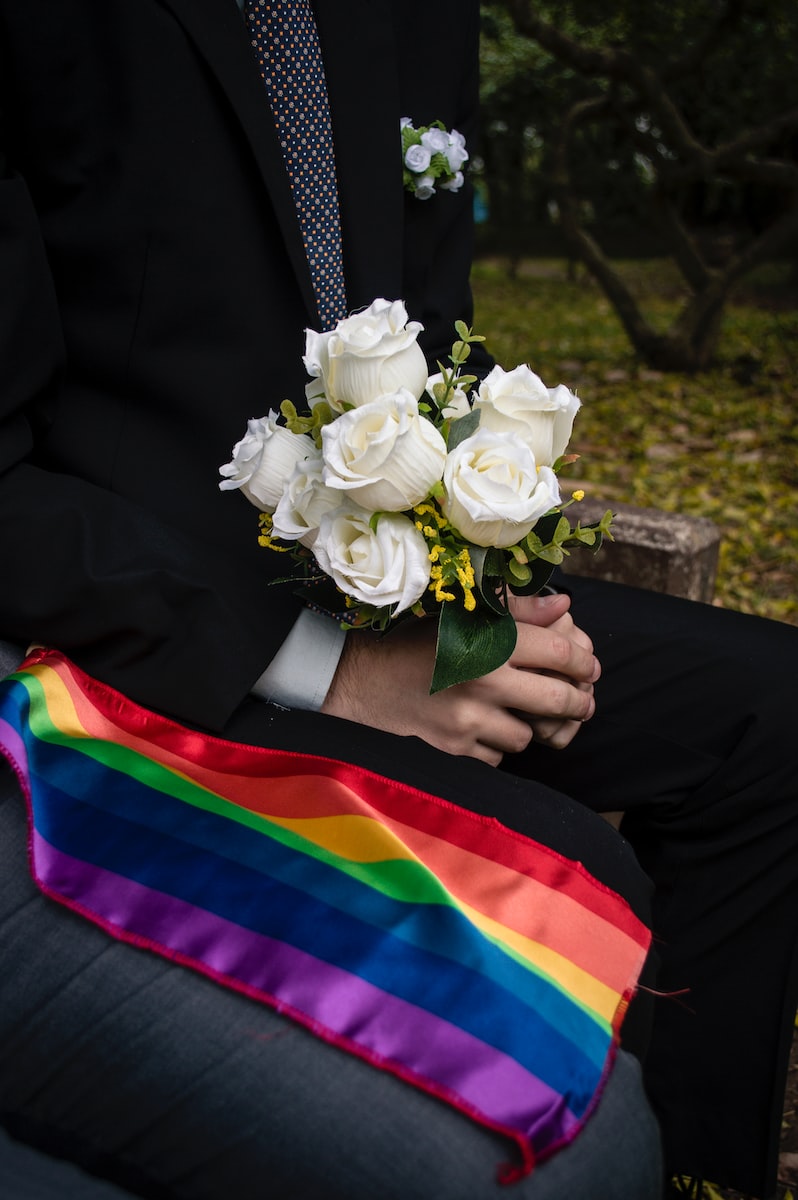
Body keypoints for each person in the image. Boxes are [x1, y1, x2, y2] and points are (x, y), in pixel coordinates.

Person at [0, 3, 794, 1198]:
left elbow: (428, 350)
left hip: (394, 586)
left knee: (765, 713)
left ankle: (704, 1180)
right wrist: (330, 668)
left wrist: (484, 599)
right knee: (578, 876)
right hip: (143, 640)